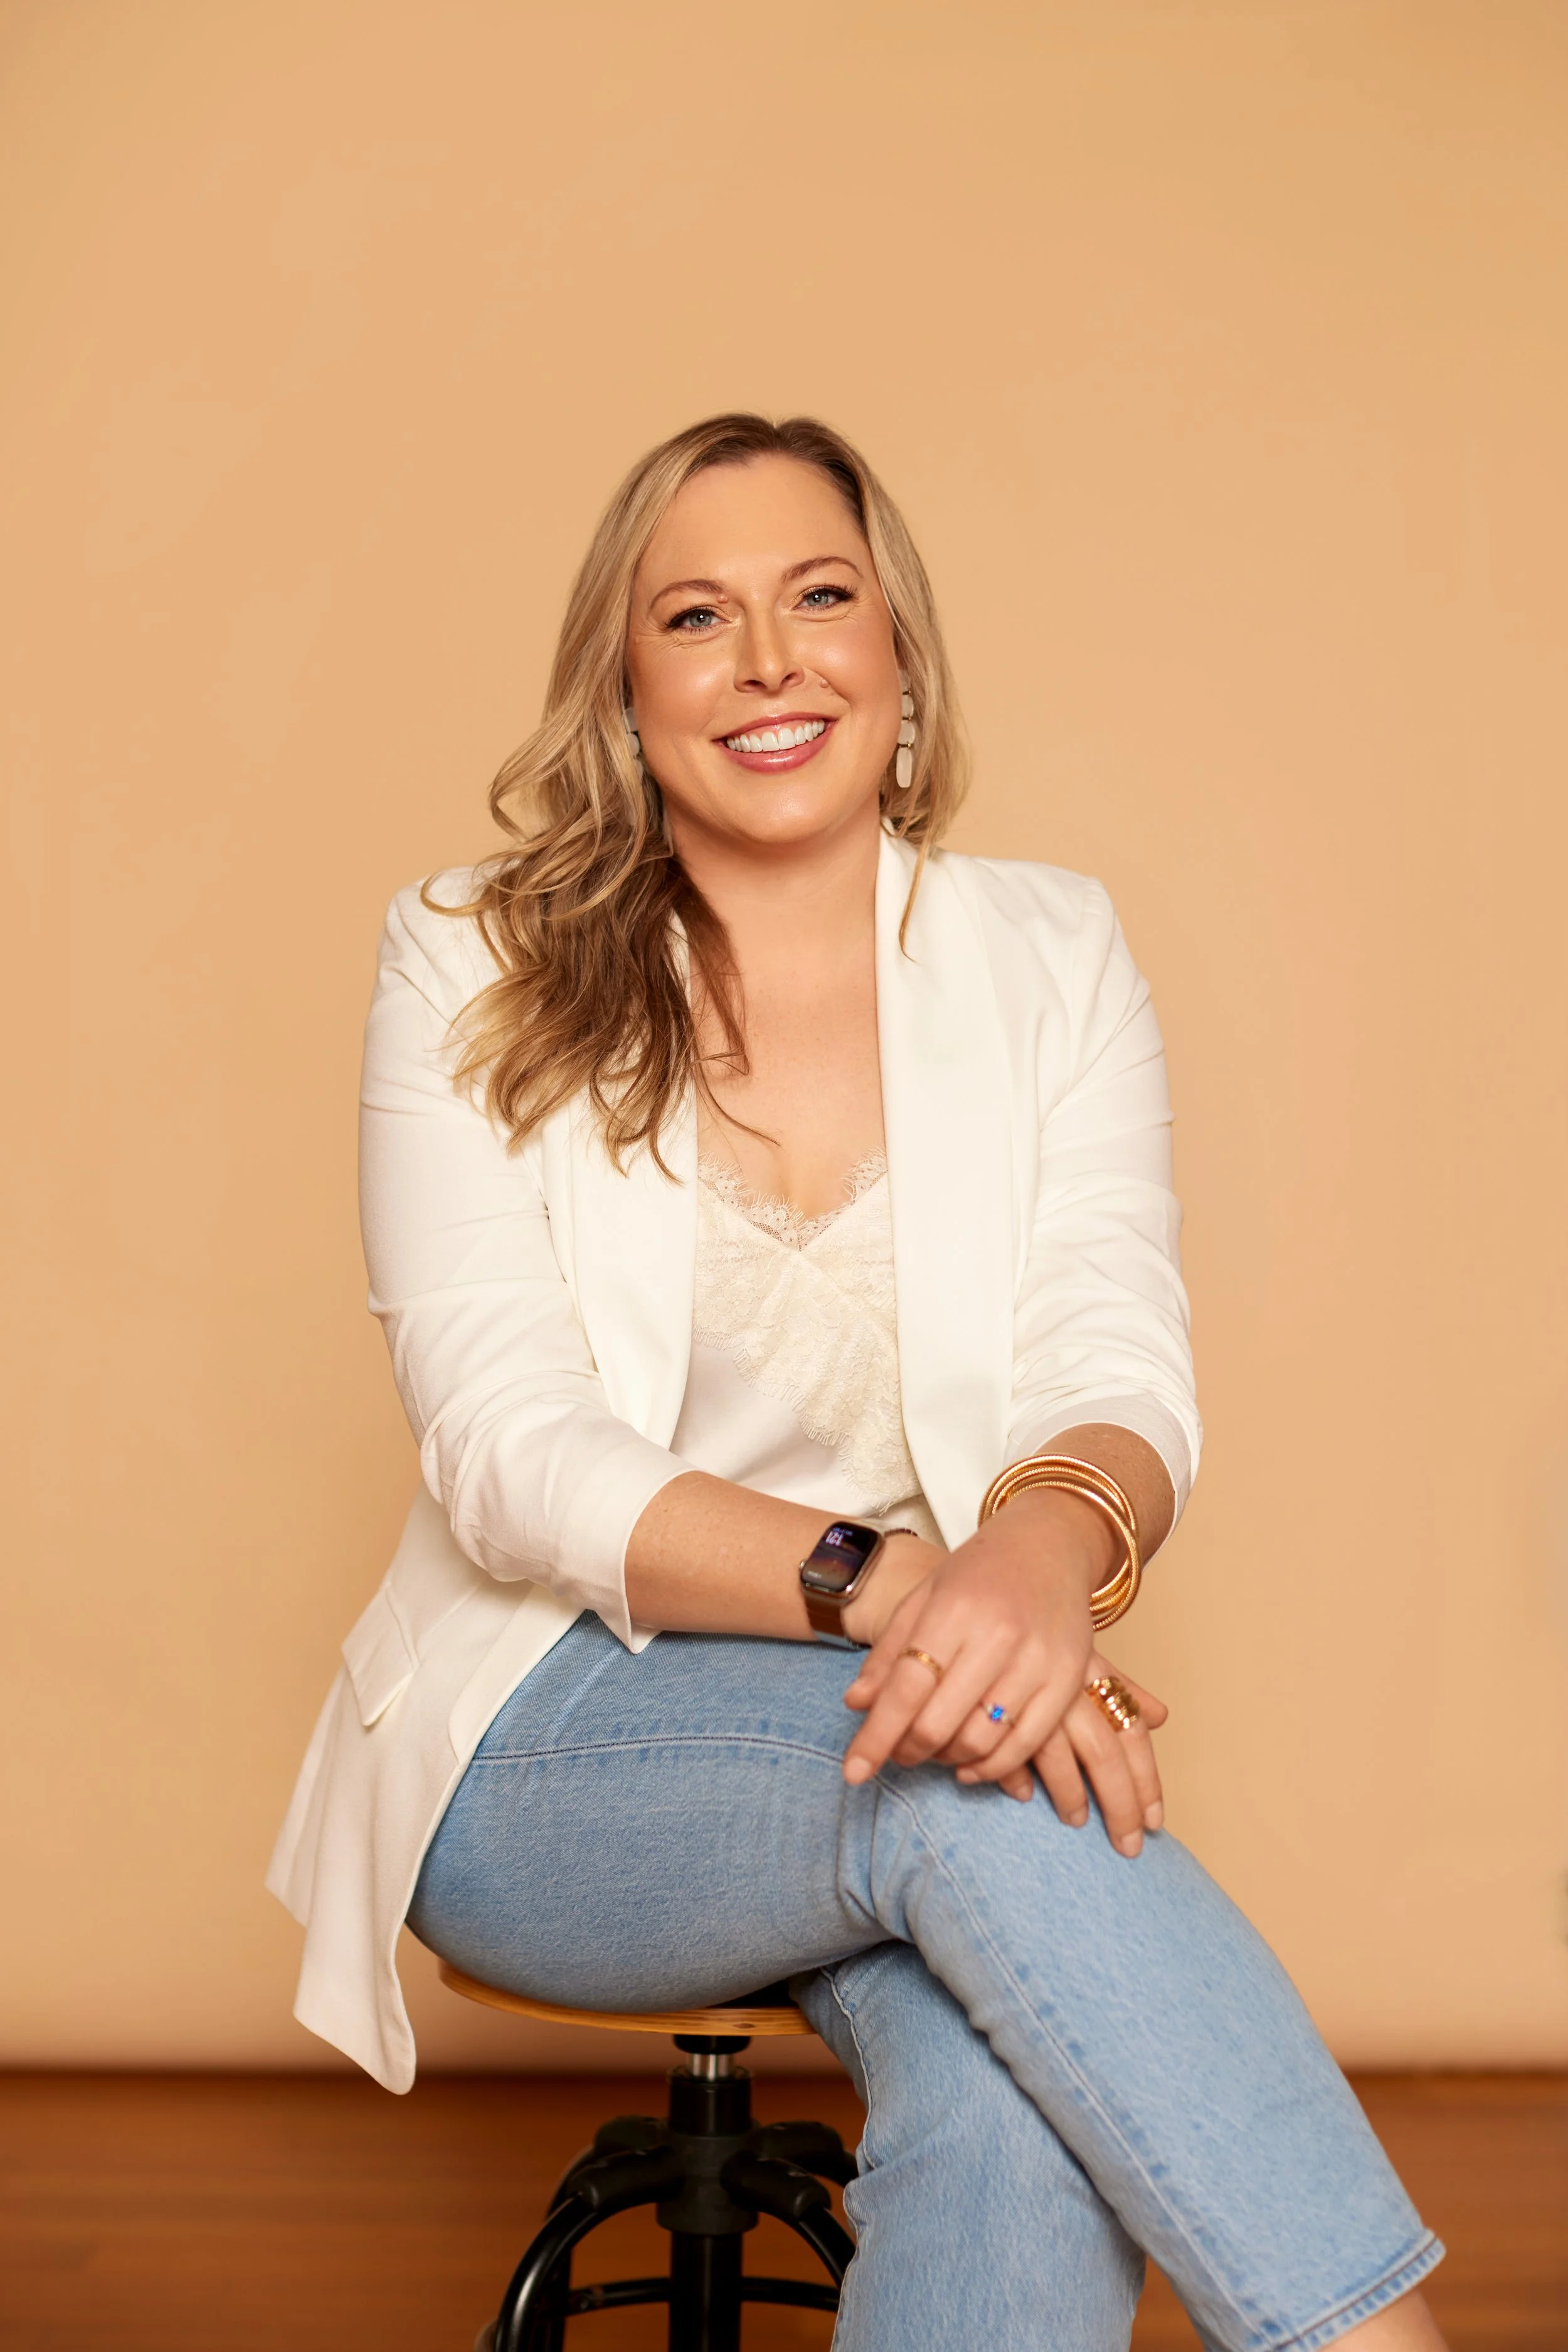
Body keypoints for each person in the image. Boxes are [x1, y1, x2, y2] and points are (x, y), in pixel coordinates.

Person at [270, 413, 1448, 2349]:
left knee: (1019, 2106)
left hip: (919, 1710)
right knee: (990, 1789)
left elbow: (1111, 1346)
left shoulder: (1049, 950)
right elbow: (506, 1451)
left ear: (896, 649)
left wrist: (1040, 1558)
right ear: (622, 687)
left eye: (818, 595)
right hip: (539, 1723)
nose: (768, 659)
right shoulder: (467, 954)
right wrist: (908, 1587)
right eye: (694, 616)